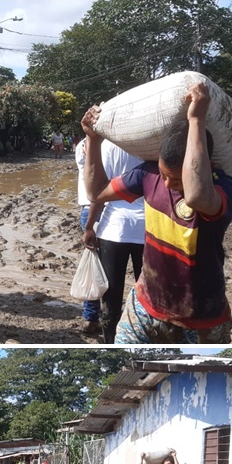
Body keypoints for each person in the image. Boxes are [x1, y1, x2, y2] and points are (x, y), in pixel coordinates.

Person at [83, 82, 232, 345]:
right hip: (145, 305)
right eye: (164, 175)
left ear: (208, 166)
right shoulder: (148, 174)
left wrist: (196, 119)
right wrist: (93, 138)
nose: (167, 185)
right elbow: (96, 192)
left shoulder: (225, 188)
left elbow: (197, 196)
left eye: (176, 180)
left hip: (201, 318)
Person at [82, 138, 148, 344]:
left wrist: (89, 226)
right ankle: (145, 338)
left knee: (110, 297)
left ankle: (110, 341)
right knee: (148, 295)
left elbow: (99, 192)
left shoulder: (106, 146)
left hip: (112, 229)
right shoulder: (152, 144)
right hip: (149, 228)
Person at [73, 139, 102, 335]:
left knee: (94, 266)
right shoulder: (117, 144)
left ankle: (91, 318)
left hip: (89, 209)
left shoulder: (84, 145)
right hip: (110, 208)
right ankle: (107, 316)